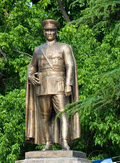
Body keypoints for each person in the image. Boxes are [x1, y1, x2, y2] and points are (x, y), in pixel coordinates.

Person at [26, 19, 80, 151]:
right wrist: (30, 75)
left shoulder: (64, 47)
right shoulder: (38, 50)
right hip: (43, 86)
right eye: (47, 31)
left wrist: (69, 85)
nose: (49, 32)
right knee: (45, 116)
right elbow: (32, 67)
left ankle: (64, 142)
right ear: (44, 33)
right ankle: (48, 142)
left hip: (59, 84)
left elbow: (70, 66)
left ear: (56, 32)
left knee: (62, 113)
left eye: (52, 30)